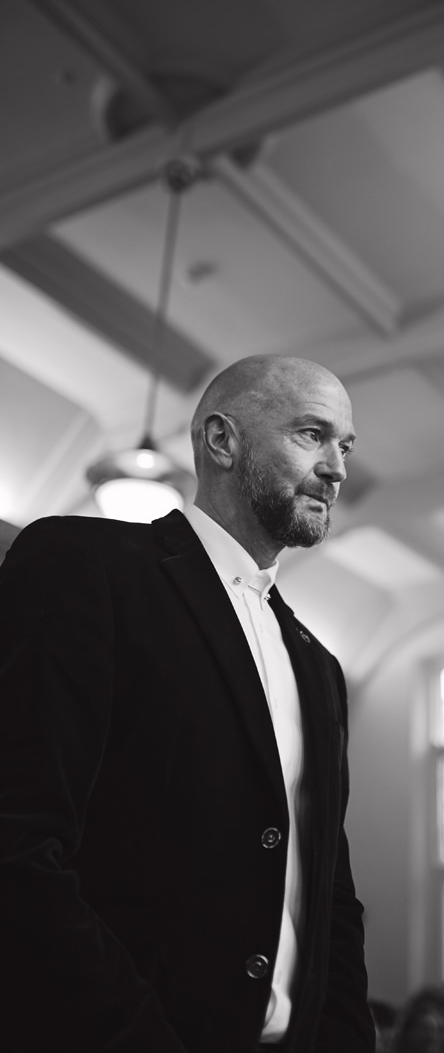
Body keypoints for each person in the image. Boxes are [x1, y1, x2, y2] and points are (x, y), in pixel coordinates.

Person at [0, 354, 375, 1053]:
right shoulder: (84, 565)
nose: (337, 468)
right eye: (311, 434)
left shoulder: (320, 666)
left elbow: (332, 899)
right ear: (221, 440)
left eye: (344, 445)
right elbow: (18, 839)